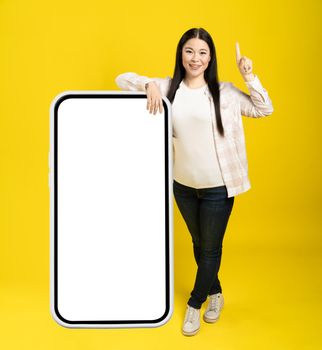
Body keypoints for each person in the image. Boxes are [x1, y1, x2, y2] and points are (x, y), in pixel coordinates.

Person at [115, 27, 273, 336]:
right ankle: (216, 294)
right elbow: (122, 79)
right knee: (199, 244)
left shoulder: (224, 92)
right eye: (190, 51)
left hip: (218, 186)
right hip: (183, 185)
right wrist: (148, 84)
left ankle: (195, 304)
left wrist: (250, 76)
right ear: (181, 54)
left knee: (210, 249)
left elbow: (264, 108)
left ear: (211, 57)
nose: (195, 58)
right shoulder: (168, 88)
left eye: (202, 52)